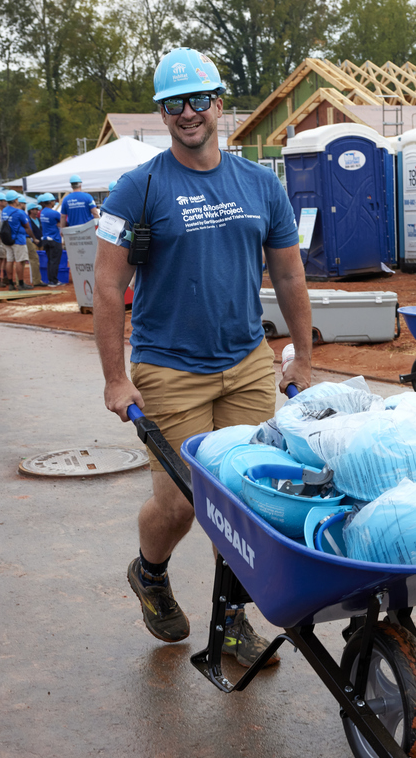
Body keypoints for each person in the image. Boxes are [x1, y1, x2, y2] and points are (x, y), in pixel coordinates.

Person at [94, 47, 313, 667]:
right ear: (162, 114)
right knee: (185, 502)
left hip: (245, 362)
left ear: (219, 104)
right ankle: (150, 571)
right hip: (169, 368)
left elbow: (290, 277)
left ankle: (232, 619)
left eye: (198, 100)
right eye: (173, 104)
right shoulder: (139, 189)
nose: (188, 113)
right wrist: (116, 379)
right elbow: (108, 287)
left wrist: (303, 356)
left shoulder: (260, 184)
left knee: (244, 499)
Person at [4, 196, 32, 291]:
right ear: (15, 200)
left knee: (9, 261)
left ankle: (11, 284)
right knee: (20, 261)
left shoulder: (4, 211)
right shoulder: (19, 212)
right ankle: (20, 283)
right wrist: (34, 237)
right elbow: (27, 226)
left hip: (7, 239)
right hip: (18, 239)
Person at [37, 194, 64, 286]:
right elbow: (63, 222)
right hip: (54, 240)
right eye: (53, 201)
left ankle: (51, 280)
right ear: (50, 202)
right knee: (55, 261)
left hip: (46, 239)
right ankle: (54, 281)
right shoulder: (54, 213)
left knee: (50, 261)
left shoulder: (42, 212)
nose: (54, 202)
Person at [25, 200, 44, 287]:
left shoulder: (39, 220)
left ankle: (39, 277)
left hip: (41, 242)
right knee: (35, 260)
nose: (37, 211)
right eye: (35, 209)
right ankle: (36, 279)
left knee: (40, 261)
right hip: (33, 243)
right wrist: (33, 239)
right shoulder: (28, 220)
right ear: (31, 210)